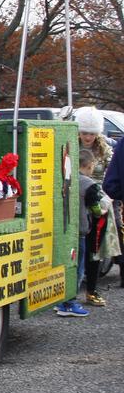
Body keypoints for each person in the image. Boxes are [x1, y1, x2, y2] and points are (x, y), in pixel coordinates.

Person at [75, 106, 122, 275]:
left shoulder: (105, 149)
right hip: (79, 194)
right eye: (84, 132)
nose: (88, 137)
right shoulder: (71, 145)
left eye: (92, 133)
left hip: (103, 192)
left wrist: (107, 197)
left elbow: (112, 172)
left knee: (117, 223)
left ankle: (120, 264)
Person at [55, 149, 102, 317]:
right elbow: (96, 207)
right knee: (78, 268)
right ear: (88, 166)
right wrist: (100, 212)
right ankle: (69, 303)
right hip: (81, 231)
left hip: (66, 230)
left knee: (66, 265)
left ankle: (61, 299)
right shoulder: (90, 185)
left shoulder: (68, 179)